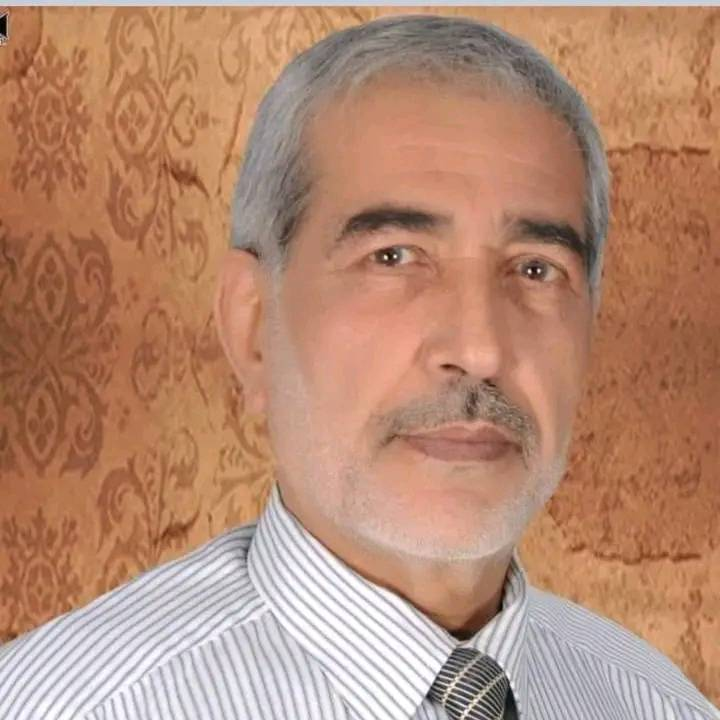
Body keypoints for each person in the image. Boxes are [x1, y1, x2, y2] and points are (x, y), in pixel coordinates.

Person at [0, 13, 717, 720]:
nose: (480, 349)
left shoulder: (658, 703)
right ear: (252, 326)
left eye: (536, 268)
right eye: (395, 257)